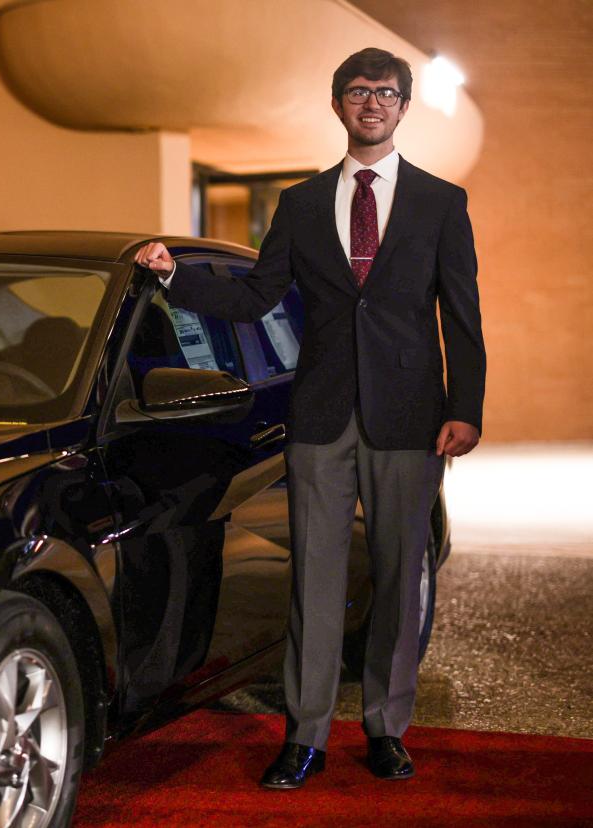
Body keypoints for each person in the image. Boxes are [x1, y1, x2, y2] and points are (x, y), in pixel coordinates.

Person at [135, 47, 486, 789]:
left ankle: (387, 729)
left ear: (402, 107)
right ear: (337, 105)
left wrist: (466, 409)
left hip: (411, 417)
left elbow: (461, 315)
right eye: (358, 92)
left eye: (385, 93)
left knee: (397, 578)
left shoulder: (440, 203)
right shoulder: (299, 203)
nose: (371, 103)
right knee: (313, 585)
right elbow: (254, 295)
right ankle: (305, 737)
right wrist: (174, 277)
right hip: (320, 416)